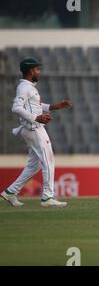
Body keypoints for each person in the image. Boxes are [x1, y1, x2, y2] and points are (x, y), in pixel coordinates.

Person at [1, 58, 72, 207]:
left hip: (32, 128)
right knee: (49, 160)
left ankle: (10, 192)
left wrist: (55, 106)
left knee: (35, 165)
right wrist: (36, 118)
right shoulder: (24, 88)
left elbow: (35, 106)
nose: (39, 72)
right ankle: (47, 197)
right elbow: (16, 108)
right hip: (34, 129)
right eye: (37, 69)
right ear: (31, 70)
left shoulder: (29, 87)